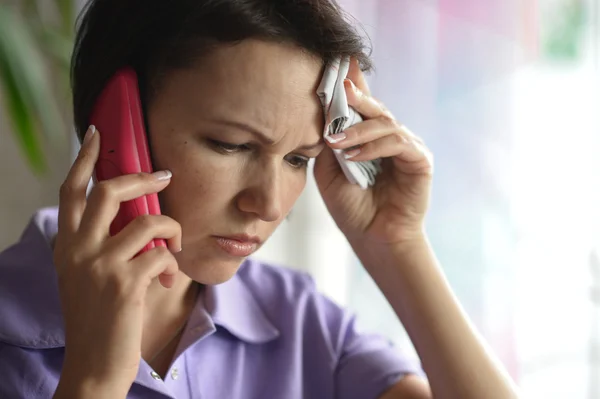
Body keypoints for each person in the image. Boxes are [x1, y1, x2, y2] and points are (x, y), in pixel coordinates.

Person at [0, 0, 519, 398]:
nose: (269, 205)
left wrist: (398, 244)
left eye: (298, 158)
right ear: (117, 122)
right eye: (232, 145)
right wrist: (92, 382)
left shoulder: (300, 323)